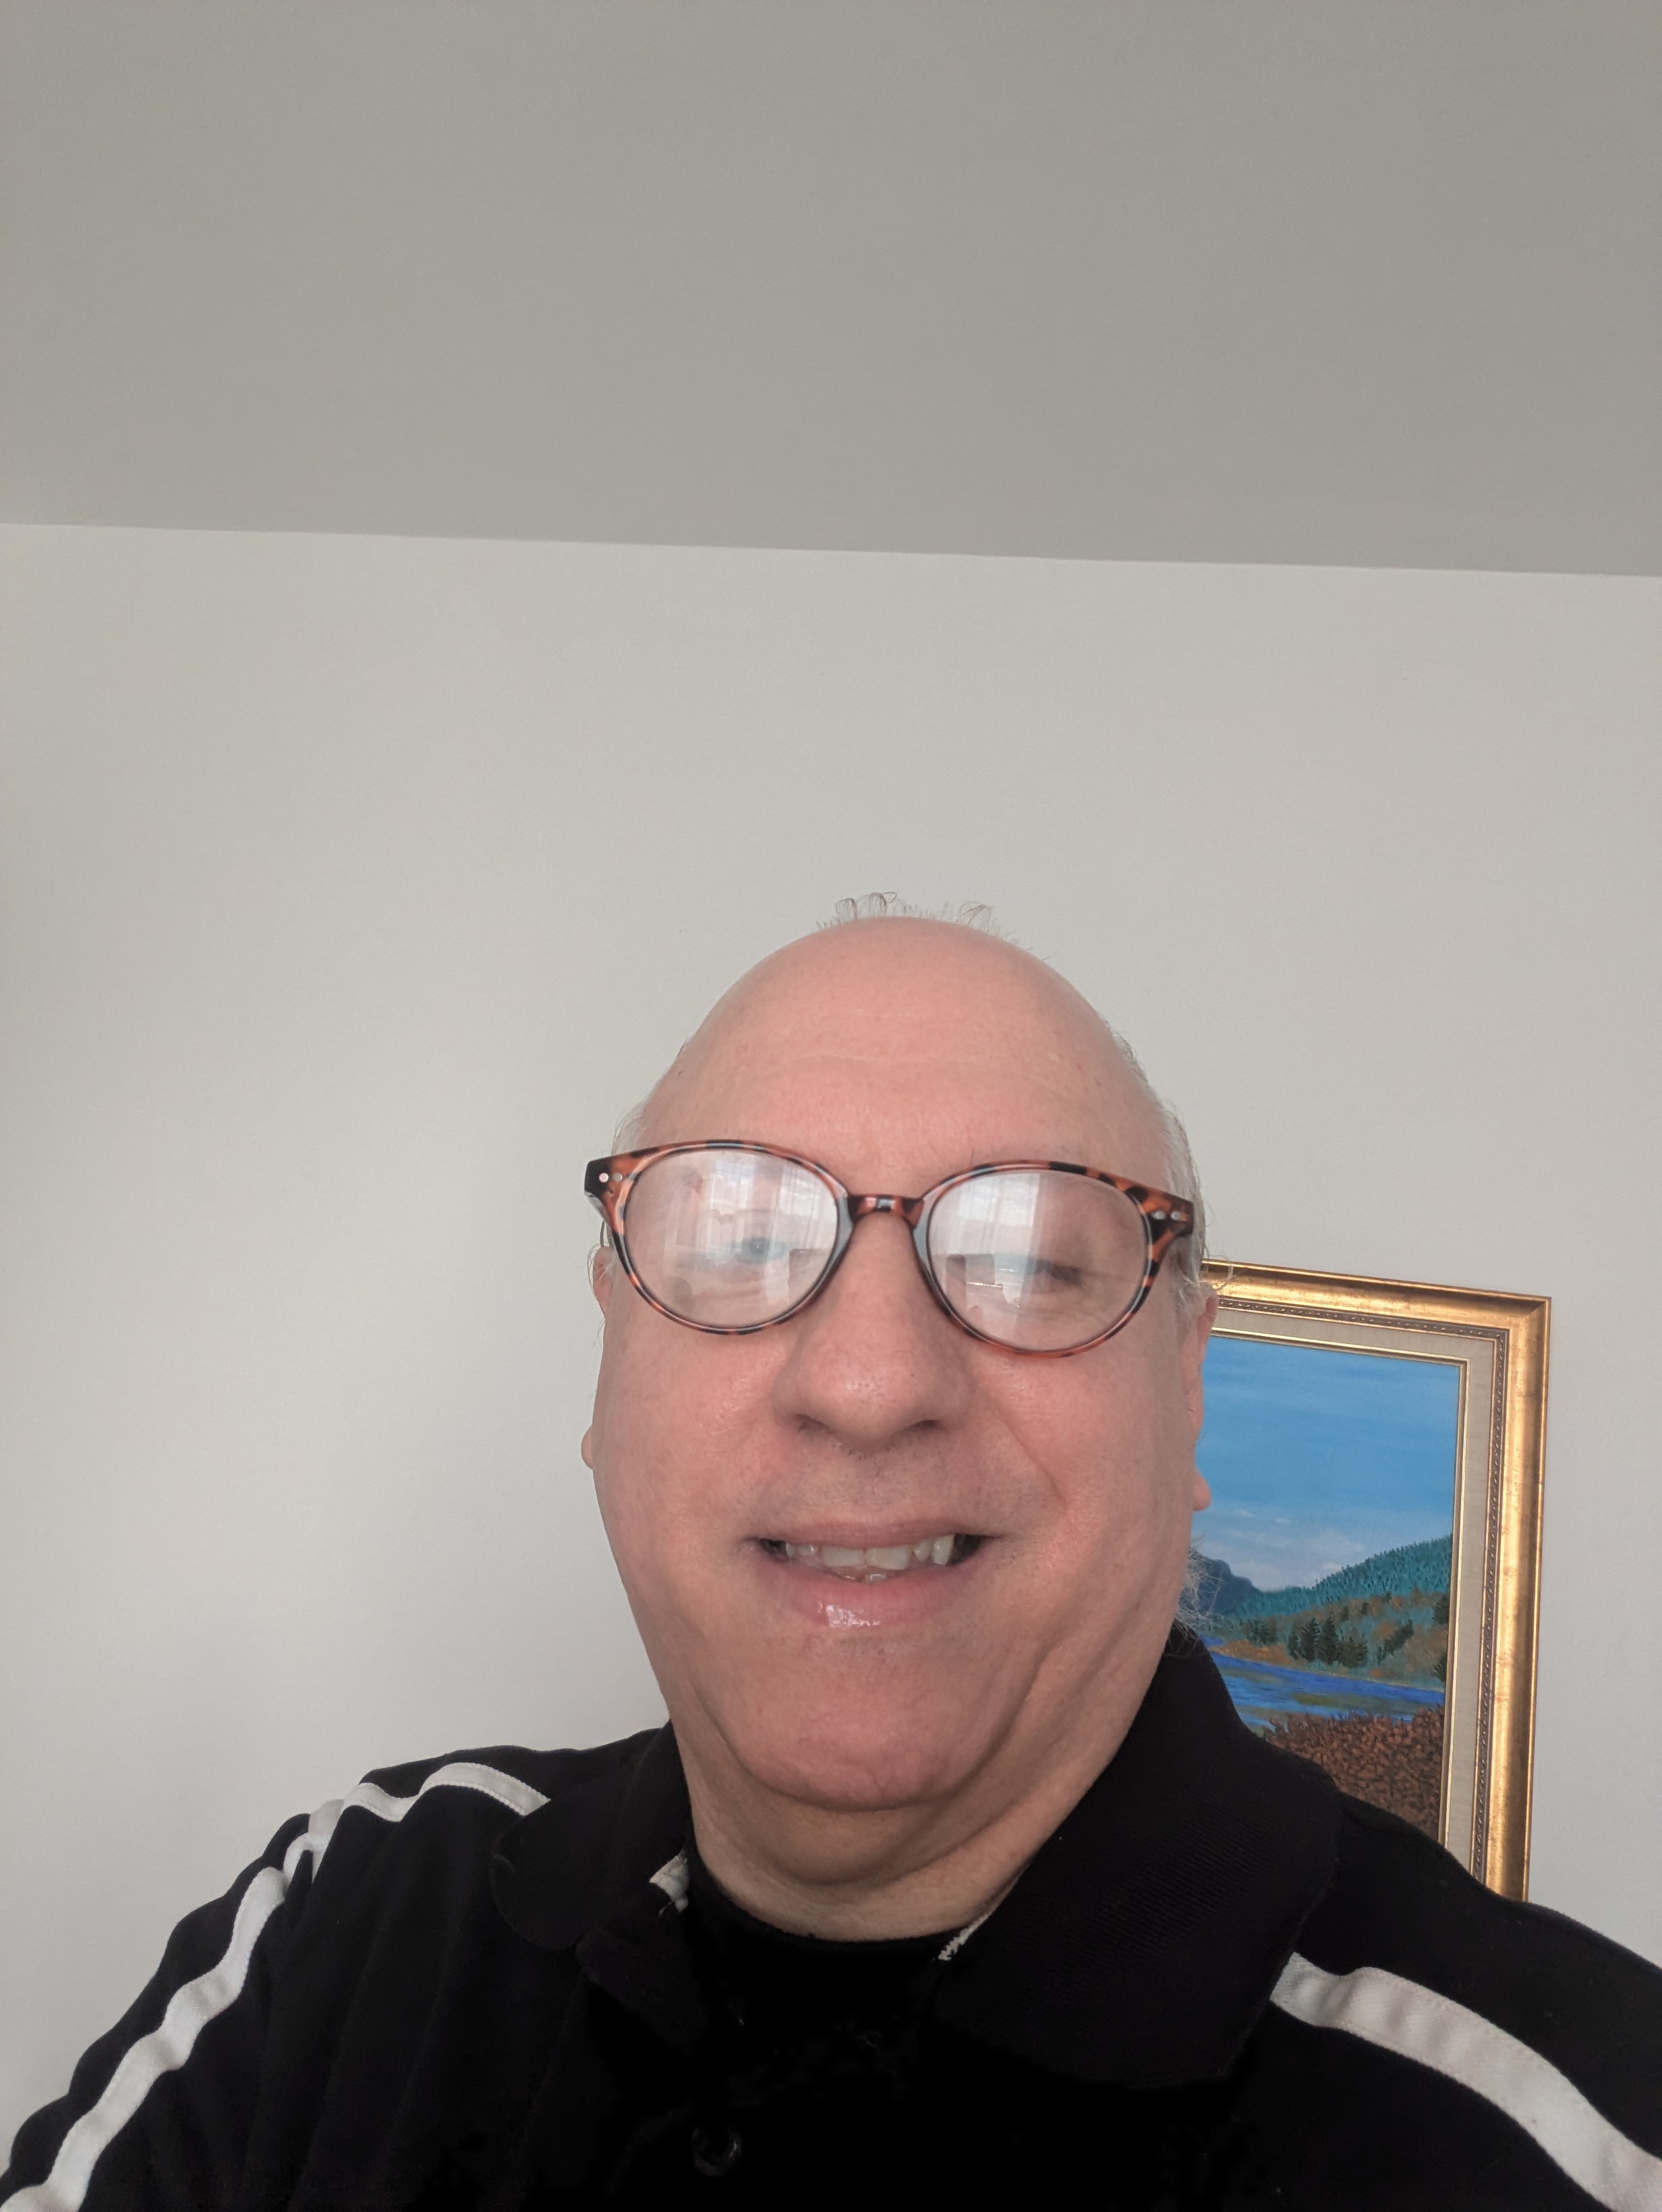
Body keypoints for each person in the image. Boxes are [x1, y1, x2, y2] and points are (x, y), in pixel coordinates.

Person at [5, 909, 1660, 2211]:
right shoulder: (349, 1919)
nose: (867, 1381)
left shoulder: (1583, 2139)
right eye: (736, 1242)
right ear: (605, 1363)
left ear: (1185, 1382)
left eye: (1030, 1259)